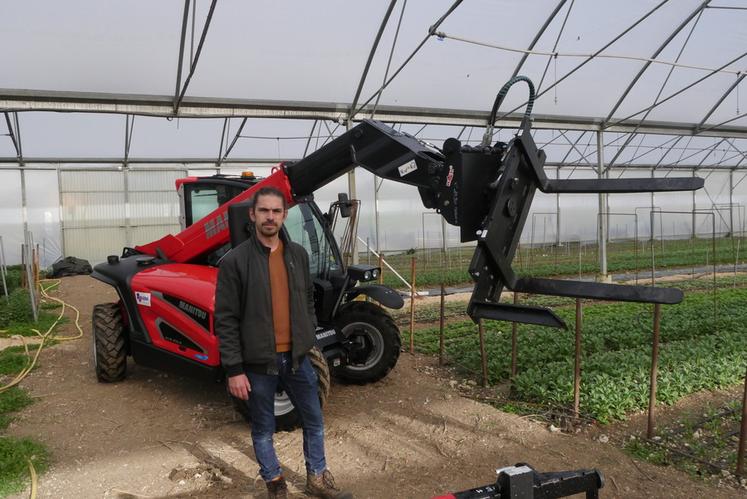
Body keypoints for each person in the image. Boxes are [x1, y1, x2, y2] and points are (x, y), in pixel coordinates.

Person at [214, 186, 353, 499]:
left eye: (276, 211)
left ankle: (316, 478)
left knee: (314, 420)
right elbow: (225, 319)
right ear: (252, 215)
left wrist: (308, 333)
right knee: (263, 428)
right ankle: (275, 483)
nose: (270, 217)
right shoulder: (235, 262)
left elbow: (305, 297)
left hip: (298, 358)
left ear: (284, 216)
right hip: (258, 364)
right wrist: (234, 369)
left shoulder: (297, 255)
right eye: (264, 211)